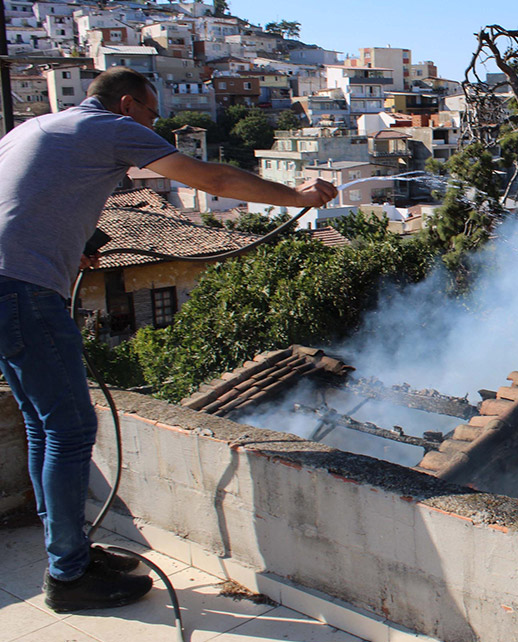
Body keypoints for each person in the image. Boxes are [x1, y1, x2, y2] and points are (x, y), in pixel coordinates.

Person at [0, 67, 336, 613]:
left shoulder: (35, 128)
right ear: (129, 104)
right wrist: (296, 193)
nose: (155, 128)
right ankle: (68, 574)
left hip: (9, 288)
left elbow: (26, 196)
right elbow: (215, 181)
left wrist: (80, 238)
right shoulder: (110, 127)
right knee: (70, 425)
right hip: (23, 289)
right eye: (153, 115)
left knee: (43, 422)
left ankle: (69, 551)